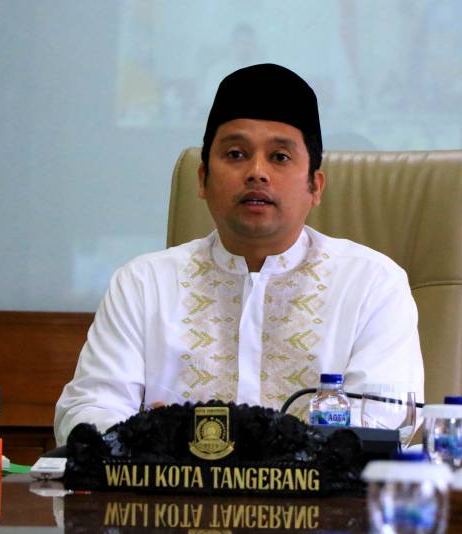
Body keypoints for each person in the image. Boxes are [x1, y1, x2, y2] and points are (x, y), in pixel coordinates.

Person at [55, 64, 423, 445]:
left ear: (315, 186)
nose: (257, 172)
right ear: (202, 179)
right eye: (236, 153)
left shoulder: (372, 284)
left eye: (280, 157)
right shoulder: (143, 284)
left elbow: (383, 426)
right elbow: (87, 409)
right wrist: (147, 436)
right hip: (172, 485)